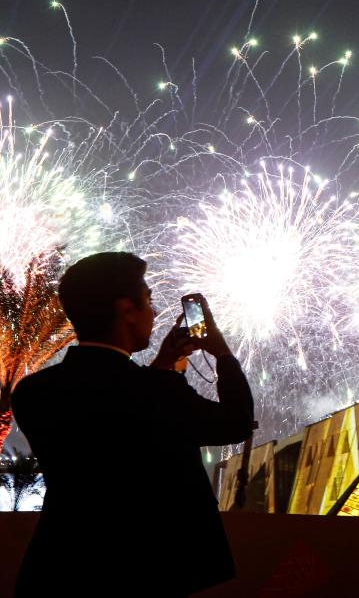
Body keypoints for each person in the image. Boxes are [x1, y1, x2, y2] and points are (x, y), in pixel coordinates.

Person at [11, 251, 255, 597]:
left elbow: (118, 409)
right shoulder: (156, 393)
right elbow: (236, 423)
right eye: (148, 300)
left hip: (57, 569)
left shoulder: (33, 391)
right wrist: (223, 354)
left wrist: (163, 364)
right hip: (145, 573)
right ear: (126, 309)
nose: (154, 313)